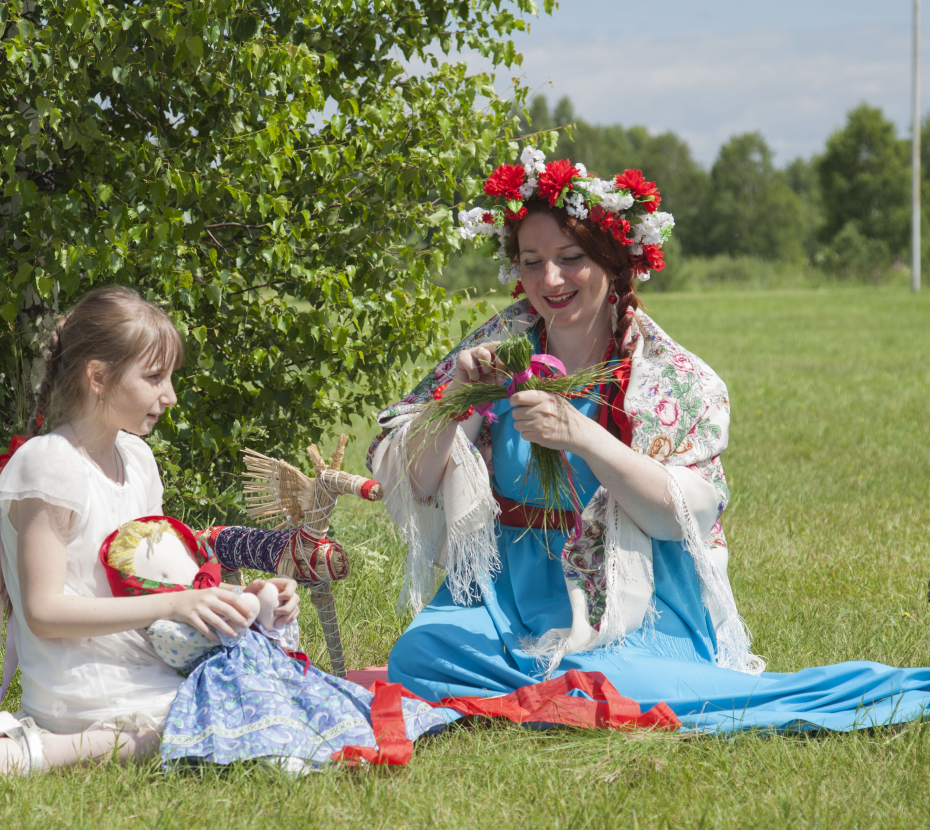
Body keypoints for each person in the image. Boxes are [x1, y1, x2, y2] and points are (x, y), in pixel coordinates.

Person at [369, 152, 930, 732]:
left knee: (623, 679)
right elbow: (412, 479)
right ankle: (562, 689)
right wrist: (460, 404)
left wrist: (582, 435)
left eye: (571, 259)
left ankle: (577, 684)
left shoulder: (671, 378)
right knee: (418, 656)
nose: (550, 281)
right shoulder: (497, 347)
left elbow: (679, 517)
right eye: (532, 262)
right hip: (506, 592)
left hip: (628, 596)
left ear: (614, 263)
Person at [0, 285, 299, 785]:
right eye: (154, 378)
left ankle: (44, 747)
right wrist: (170, 608)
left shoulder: (137, 459)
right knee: (207, 716)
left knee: (265, 690)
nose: (170, 395)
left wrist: (248, 598)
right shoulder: (50, 465)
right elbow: (44, 613)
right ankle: (29, 750)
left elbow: (165, 583)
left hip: (141, 657)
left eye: (169, 377)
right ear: (98, 378)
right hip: (81, 680)